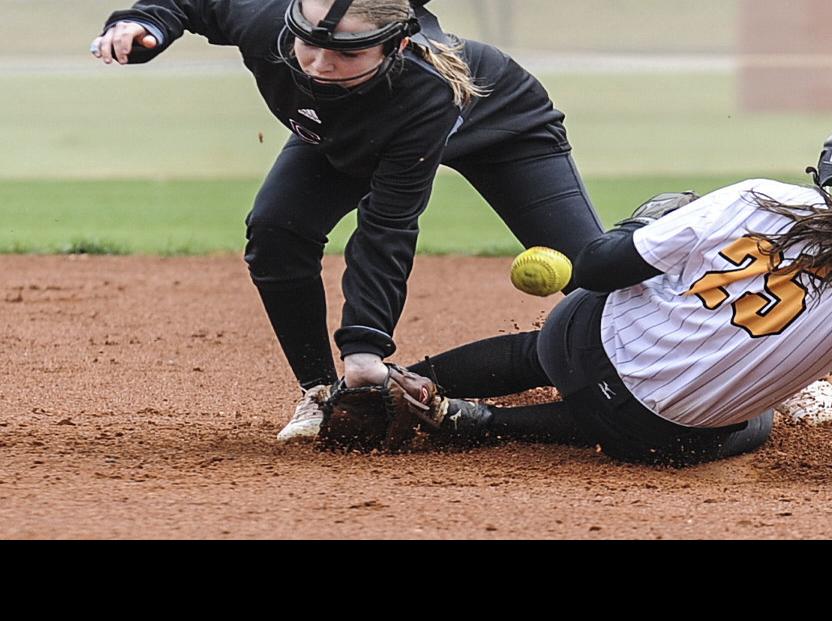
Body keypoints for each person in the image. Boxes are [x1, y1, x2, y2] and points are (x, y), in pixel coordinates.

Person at [408, 92, 832, 487]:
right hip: (650, 434)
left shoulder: (759, 196)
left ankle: (401, 381)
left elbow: (596, 270)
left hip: (578, 343)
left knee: (545, 349)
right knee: (749, 419)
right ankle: (489, 425)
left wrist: (641, 224)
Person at [90, 0, 605, 442]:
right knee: (275, 230)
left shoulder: (423, 88)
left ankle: (629, 376)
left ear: (396, 45)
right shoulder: (270, 23)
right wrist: (144, 22)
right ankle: (318, 394)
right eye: (307, 45)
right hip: (344, 132)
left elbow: (387, 226)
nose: (318, 64)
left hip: (502, 128)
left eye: (348, 52)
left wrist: (364, 346)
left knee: (593, 272)